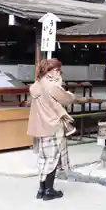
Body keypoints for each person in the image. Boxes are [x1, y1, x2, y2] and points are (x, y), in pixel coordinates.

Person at [27, 59, 75, 201]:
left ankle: (41, 189)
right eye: (58, 70)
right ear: (52, 70)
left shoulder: (36, 85)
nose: (59, 72)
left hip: (40, 126)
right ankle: (49, 190)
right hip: (53, 125)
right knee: (52, 159)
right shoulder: (52, 85)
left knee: (43, 158)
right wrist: (71, 94)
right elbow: (66, 99)